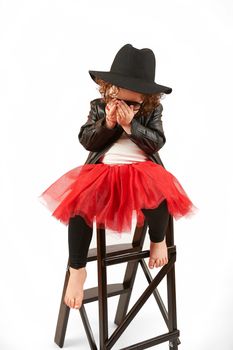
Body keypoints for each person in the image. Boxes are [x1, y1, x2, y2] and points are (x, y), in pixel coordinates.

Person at [38, 44, 197, 310]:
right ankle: (77, 269)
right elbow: (87, 140)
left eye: (135, 103)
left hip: (141, 169)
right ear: (111, 92)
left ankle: (158, 240)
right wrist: (109, 123)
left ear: (146, 100)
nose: (128, 107)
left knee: (158, 195)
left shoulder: (150, 112)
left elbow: (157, 142)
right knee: (79, 206)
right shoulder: (99, 108)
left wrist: (130, 125)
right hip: (104, 171)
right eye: (122, 101)